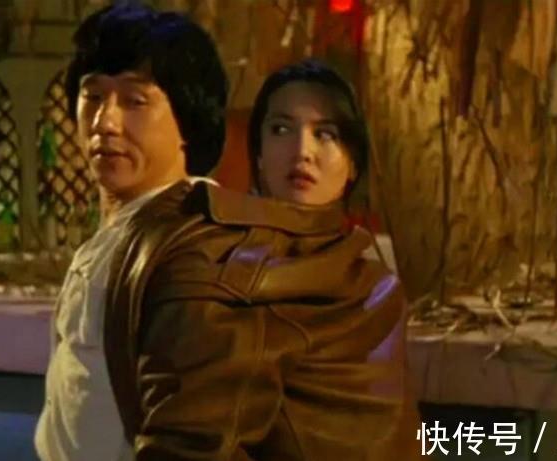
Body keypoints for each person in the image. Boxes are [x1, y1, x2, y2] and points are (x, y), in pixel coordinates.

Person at [35, 5, 414, 460]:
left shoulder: (204, 249)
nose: (105, 122)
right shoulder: (133, 237)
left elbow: (196, 439)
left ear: (187, 117)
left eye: (135, 101)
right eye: (93, 96)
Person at [248, 59, 421, 458]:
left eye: (325, 134)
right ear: (258, 155)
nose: (302, 151)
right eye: (281, 130)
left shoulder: (376, 292)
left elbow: (395, 434)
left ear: (352, 164)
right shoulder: (223, 273)